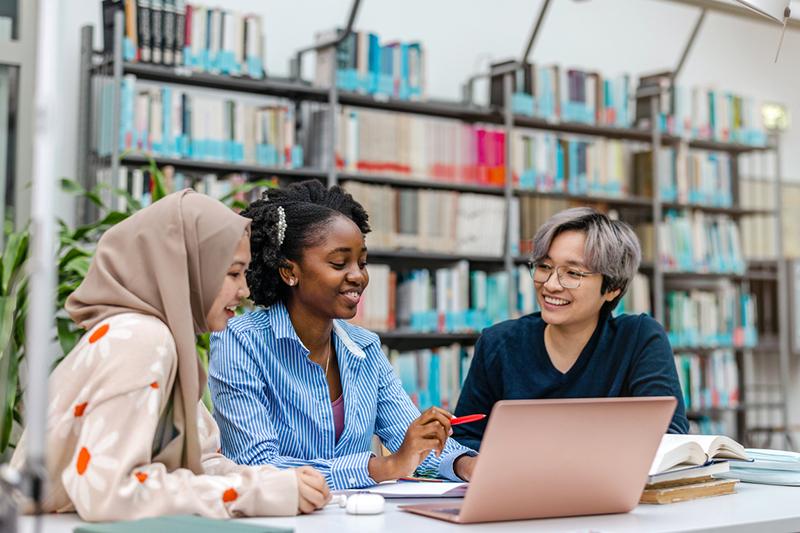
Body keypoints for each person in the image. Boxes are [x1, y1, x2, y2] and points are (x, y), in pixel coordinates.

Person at [11, 190, 330, 521]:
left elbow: (200, 463)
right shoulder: (141, 339)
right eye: (233, 273)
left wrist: (273, 482)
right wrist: (257, 493)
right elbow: (109, 493)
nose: (244, 290)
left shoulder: (164, 341)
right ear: (187, 268)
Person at [208, 180, 478, 489]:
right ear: (289, 271)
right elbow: (257, 465)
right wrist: (382, 466)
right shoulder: (239, 341)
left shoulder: (365, 347)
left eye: (362, 262)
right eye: (339, 263)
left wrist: (467, 464)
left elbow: (409, 440)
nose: (358, 276)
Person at [453, 207, 688, 451]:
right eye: (544, 267)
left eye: (572, 273)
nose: (551, 285)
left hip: (611, 486)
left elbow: (668, 435)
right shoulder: (498, 343)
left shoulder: (639, 338)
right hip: (519, 487)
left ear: (612, 288)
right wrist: (468, 463)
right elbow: (465, 437)